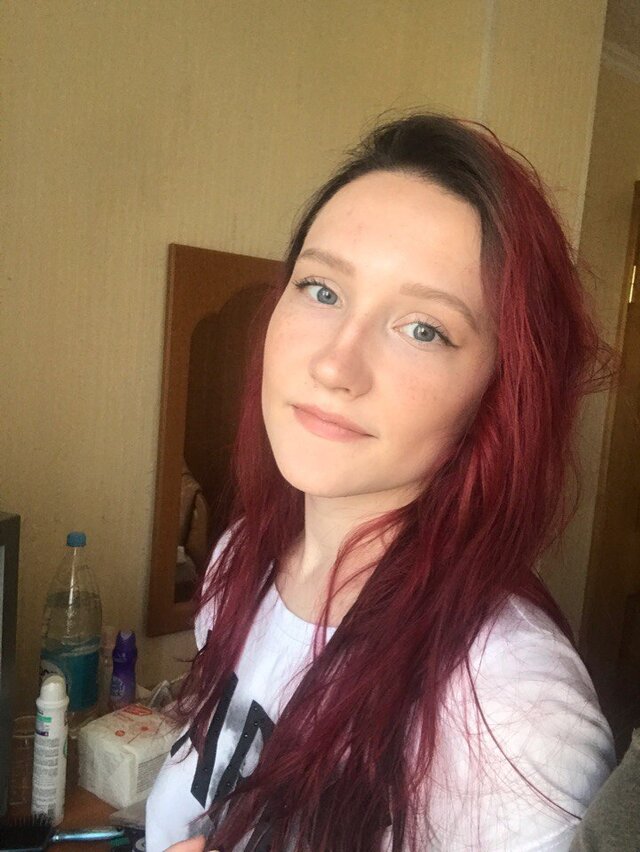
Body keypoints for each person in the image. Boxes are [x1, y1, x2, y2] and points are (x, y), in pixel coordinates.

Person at [146, 114, 616, 851]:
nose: (335, 364)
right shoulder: (242, 556)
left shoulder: (511, 707)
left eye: (423, 328)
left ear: (499, 391)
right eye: (321, 289)